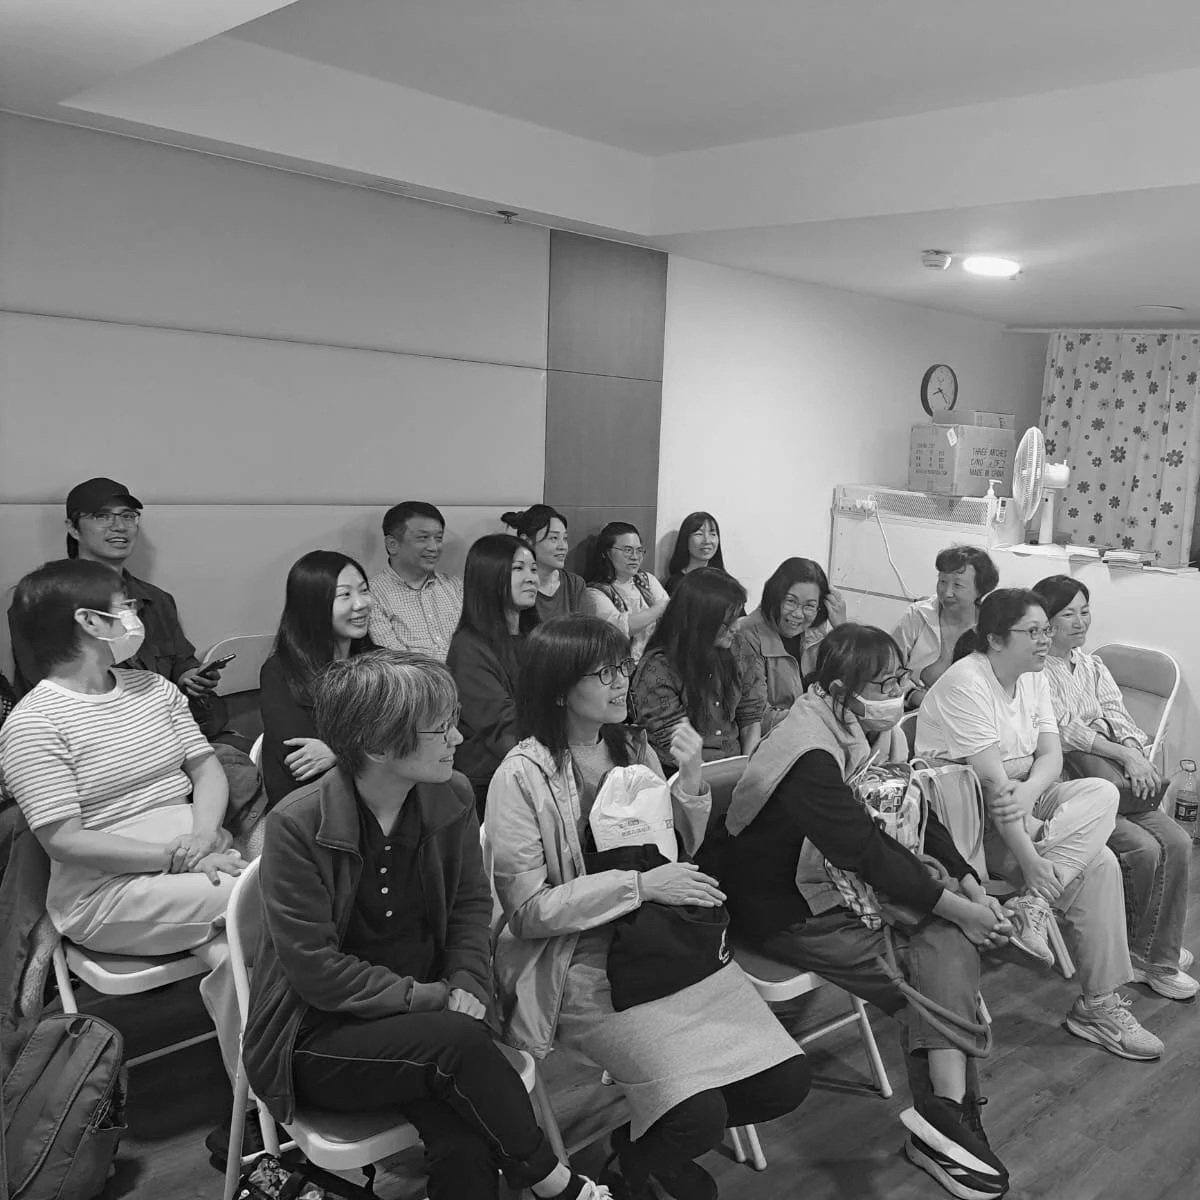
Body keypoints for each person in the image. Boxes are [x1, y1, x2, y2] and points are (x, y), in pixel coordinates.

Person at [243, 651, 610, 1200]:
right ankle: (552, 1181)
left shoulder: (451, 794)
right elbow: (315, 971)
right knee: (461, 1047)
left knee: (465, 1140)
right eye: (441, 727)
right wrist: (435, 998)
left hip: (430, 1025)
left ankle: (546, 1181)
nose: (459, 737)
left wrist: (465, 982)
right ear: (377, 745)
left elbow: (469, 908)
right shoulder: (298, 824)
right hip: (317, 1036)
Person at [486, 616, 810, 1200]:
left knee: (784, 1081)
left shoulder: (632, 744)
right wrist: (639, 887)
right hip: (577, 964)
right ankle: (632, 1166)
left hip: (664, 945)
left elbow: (675, 851)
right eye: (602, 672)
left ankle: (643, 1152)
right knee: (698, 1114)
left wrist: (689, 781)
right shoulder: (522, 775)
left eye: (622, 668)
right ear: (560, 687)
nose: (620, 683)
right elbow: (529, 913)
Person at [708, 623, 1012, 1200]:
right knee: (931, 970)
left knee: (946, 936)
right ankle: (953, 1126)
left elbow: (914, 810)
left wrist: (969, 882)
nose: (898, 690)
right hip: (783, 906)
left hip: (838, 886)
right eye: (884, 681)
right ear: (841, 686)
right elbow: (864, 849)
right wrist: (961, 908)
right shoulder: (808, 751)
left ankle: (944, 1124)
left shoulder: (858, 729)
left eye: (899, 676)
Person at [0, 559, 244, 1076]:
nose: (135, 615)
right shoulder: (33, 725)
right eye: (124, 606)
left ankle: (261, 1097)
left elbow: (207, 770)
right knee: (277, 896)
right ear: (90, 622)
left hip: (199, 858)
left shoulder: (154, 690)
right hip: (106, 894)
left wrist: (201, 835)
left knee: (239, 951)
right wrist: (172, 857)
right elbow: (67, 841)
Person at [916, 589, 1166, 1062]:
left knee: (1103, 792)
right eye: (1032, 631)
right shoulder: (965, 683)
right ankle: (1098, 1005)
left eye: (1044, 630)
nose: (1044, 639)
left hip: (1026, 793)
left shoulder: (1032, 677)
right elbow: (990, 789)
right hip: (967, 819)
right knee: (1102, 863)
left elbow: (1050, 757)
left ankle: (1036, 906)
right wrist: (1030, 861)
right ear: (994, 639)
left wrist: (1029, 796)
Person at [1032, 575, 1196, 1000]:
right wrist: (1123, 753)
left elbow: (1115, 714)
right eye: (1067, 613)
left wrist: (1131, 750)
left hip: (1116, 780)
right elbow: (1064, 732)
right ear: (1045, 622)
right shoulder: (1037, 671)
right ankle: (1152, 957)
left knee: (1178, 840)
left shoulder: (1091, 665)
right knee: (1144, 848)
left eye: (1084, 611)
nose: (1079, 621)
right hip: (1076, 789)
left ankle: (1152, 952)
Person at [8, 477, 227, 737]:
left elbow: (181, 660)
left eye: (128, 516)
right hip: (94, 737)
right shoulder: (43, 601)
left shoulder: (157, 600)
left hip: (169, 727)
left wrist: (191, 675)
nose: (119, 526)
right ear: (73, 528)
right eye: (102, 516)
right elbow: (46, 688)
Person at [259, 551, 377, 810]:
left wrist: (337, 751)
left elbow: (407, 731)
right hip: (315, 805)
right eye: (345, 595)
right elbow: (302, 760)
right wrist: (370, 746)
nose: (361, 604)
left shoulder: (379, 662)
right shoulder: (281, 671)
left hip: (377, 793)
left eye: (364, 591)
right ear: (312, 605)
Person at [630, 570, 765, 774]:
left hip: (735, 764)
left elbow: (751, 717)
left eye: (738, 617)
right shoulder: (659, 667)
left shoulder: (739, 648)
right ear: (700, 620)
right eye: (728, 622)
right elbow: (677, 743)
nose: (736, 627)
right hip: (681, 772)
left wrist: (748, 771)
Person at [446, 534, 540, 813]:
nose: (531, 578)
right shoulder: (469, 648)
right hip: (494, 782)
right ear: (489, 576)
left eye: (533, 569)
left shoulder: (538, 636)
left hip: (540, 767)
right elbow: (503, 727)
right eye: (518, 569)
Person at [738, 557, 848, 732]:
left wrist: (842, 630)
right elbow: (756, 718)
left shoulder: (815, 630)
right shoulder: (746, 634)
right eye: (790, 601)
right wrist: (819, 717)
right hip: (778, 737)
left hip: (816, 730)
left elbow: (847, 684)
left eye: (809, 605)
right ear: (774, 596)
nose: (798, 614)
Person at [893, 546, 999, 710]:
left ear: (980, 590)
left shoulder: (992, 627)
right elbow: (887, 667)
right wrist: (912, 695)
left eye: (958, 585)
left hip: (971, 714)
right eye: (942, 582)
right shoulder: (918, 615)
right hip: (915, 710)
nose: (947, 592)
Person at [368, 501, 463, 660]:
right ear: (393, 545)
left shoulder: (456, 587)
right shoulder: (372, 594)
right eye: (423, 538)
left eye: (438, 538)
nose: (434, 547)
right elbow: (396, 660)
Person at [582, 522, 670, 663]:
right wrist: (661, 607)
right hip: (620, 667)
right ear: (606, 553)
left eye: (639, 550)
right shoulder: (595, 592)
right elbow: (622, 628)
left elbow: (671, 615)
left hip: (654, 662)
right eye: (627, 550)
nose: (635, 557)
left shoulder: (647, 580)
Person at [502, 505, 587, 621]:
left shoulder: (575, 584)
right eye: (554, 538)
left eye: (565, 538)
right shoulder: (514, 585)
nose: (563, 547)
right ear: (527, 541)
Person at [663, 512, 726, 596]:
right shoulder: (677, 584)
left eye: (713, 534)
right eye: (699, 534)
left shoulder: (725, 581)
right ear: (685, 539)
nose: (707, 541)